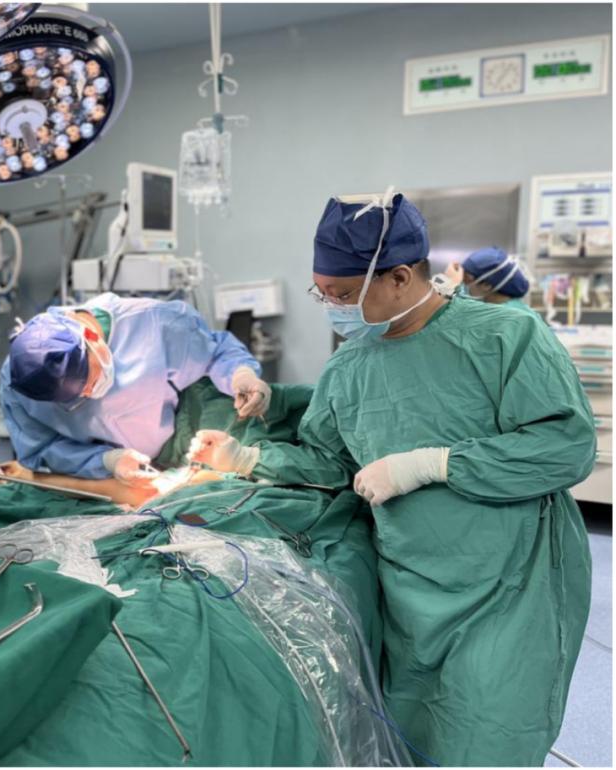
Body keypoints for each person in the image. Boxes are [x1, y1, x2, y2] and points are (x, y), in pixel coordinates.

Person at [188, 189, 593, 766]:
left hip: (509, 578)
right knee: (413, 731)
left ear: (400, 278)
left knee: (487, 731)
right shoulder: (349, 365)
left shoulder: (505, 336)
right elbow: (331, 462)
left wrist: (432, 464)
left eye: (343, 294)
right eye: (322, 293)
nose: (332, 308)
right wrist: (245, 459)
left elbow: (565, 447)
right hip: (409, 584)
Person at [0, 293, 268, 481]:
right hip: (109, 477)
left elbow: (215, 352)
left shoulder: (152, 323)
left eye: (88, 381)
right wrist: (107, 461)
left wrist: (240, 374)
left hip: (181, 438)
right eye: (74, 398)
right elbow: (40, 449)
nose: (88, 394)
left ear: (91, 335)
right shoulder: (21, 382)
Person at [446, 246, 533, 312]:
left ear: (487, 285)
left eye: (466, 279)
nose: (462, 284)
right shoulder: (496, 308)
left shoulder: (507, 316)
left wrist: (446, 284)